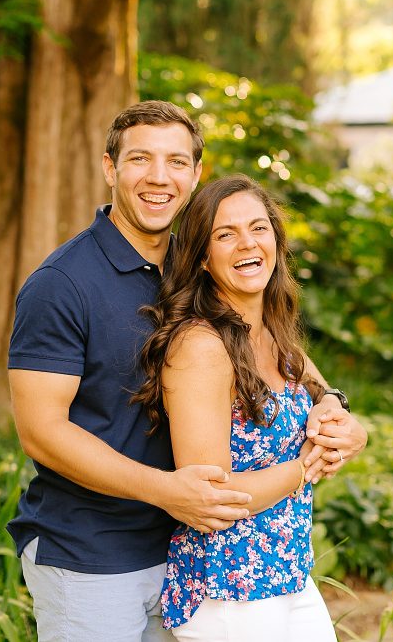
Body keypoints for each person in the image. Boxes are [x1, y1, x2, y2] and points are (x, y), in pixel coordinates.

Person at [8, 101, 366, 642]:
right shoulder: (61, 284)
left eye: (177, 161)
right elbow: (41, 431)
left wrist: (333, 404)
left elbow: (267, 343)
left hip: (186, 553)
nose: (159, 177)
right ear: (110, 168)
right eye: (140, 159)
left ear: (195, 174)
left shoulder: (199, 259)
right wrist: (166, 490)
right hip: (93, 551)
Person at [135, 174, 337, 641]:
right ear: (203, 258)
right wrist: (307, 467)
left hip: (288, 573)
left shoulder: (270, 330)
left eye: (258, 227)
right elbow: (212, 496)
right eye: (225, 234)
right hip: (229, 591)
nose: (247, 243)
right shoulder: (201, 346)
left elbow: (318, 388)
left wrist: (340, 413)